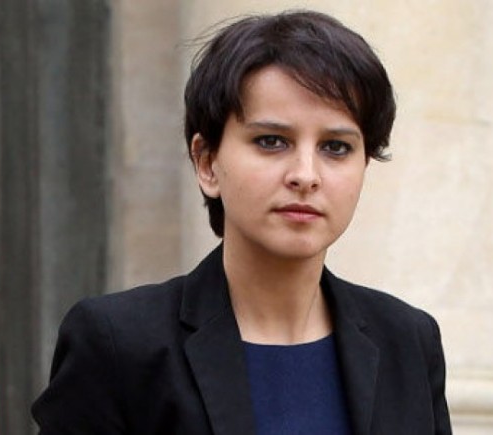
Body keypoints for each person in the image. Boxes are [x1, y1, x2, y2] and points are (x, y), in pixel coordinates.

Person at [32, 9, 451, 434]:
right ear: (207, 162)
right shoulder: (118, 344)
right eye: (272, 141)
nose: (305, 175)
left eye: (336, 147)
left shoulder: (409, 342)